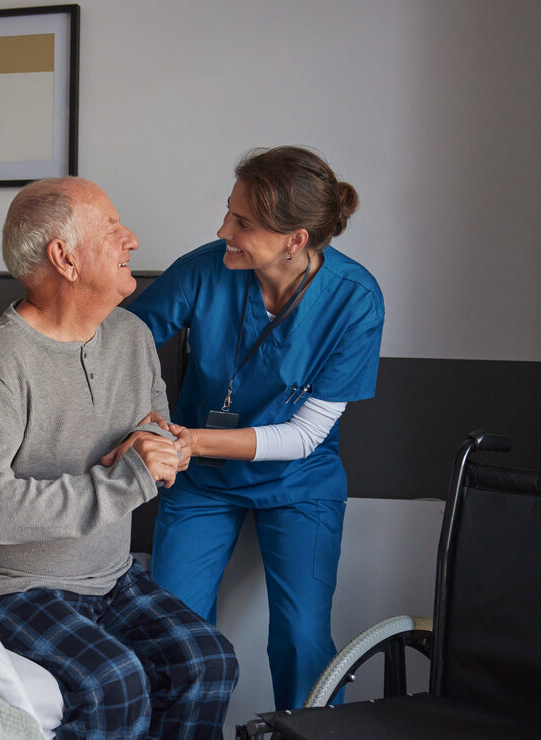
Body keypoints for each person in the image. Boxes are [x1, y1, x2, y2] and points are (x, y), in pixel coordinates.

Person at [0, 177, 238, 739]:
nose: (131, 239)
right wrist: (123, 478)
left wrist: (156, 453)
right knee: (114, 682)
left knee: (207, 662)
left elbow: (156, 438)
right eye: (112, 227)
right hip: (1, 582)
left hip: (107, 577)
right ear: (65, 258)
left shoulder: (133, 337)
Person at [126, 146, 384, 711]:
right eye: (228, 212)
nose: (224, 230)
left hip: (298, 480)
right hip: (202, 480)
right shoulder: (204, 269)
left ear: (295, 239)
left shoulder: (355, 301)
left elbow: (305, 435)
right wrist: (143, 420)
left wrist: (191, 439)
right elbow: (124, 345)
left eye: (242, 222)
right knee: (175, 630)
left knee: (303, 636)